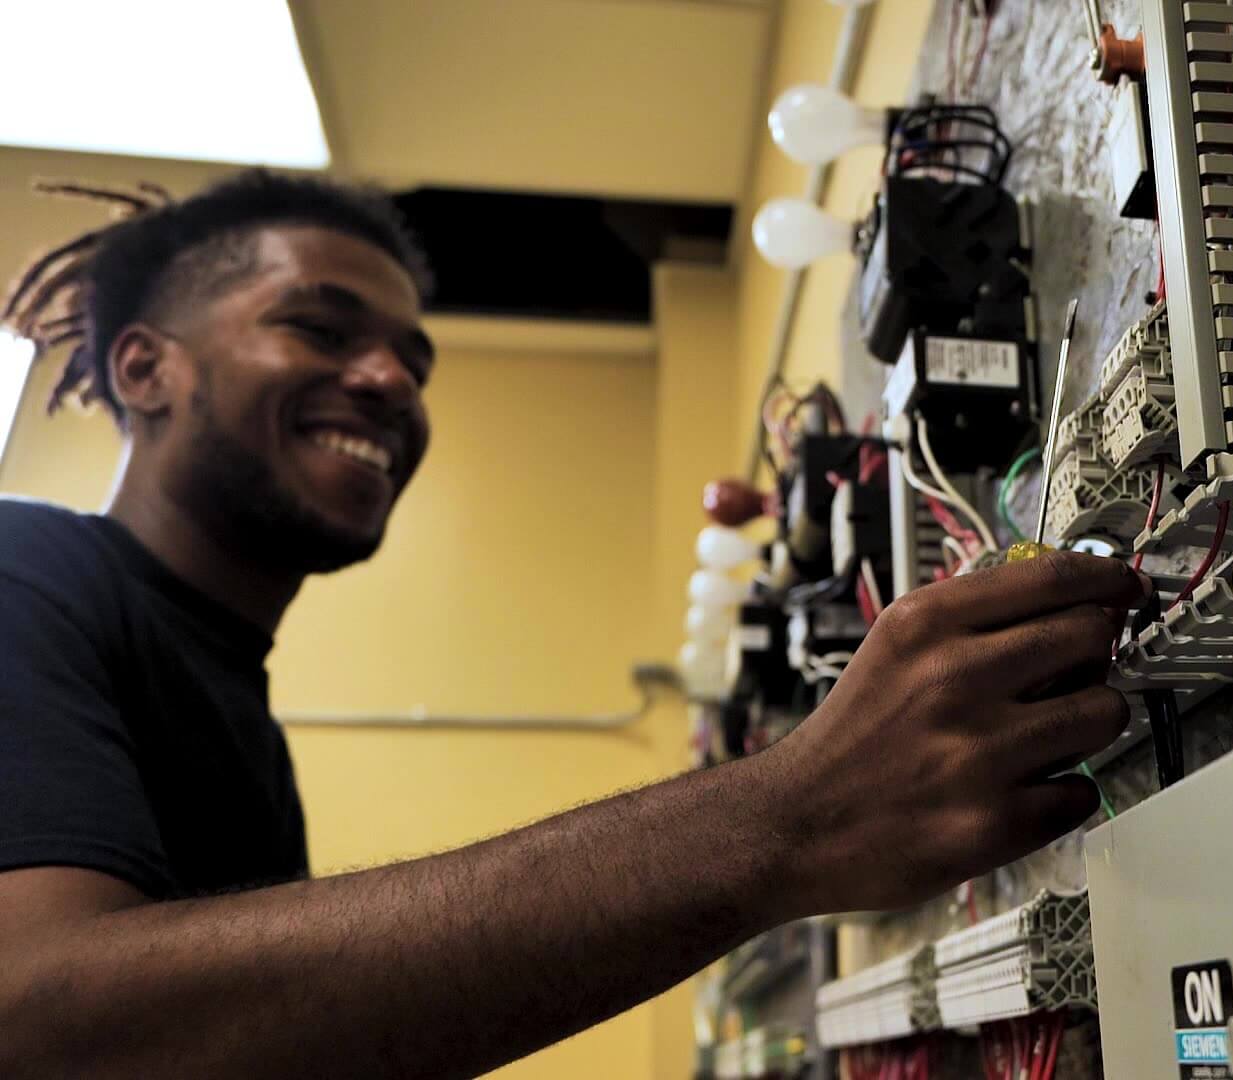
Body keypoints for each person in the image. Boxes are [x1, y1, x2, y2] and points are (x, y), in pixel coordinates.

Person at [0, 171, 1143, 1076]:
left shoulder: (228, 712)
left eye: (413, 357)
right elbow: (47, 1028)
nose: (393, 381)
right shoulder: (23, 564)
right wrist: (786, 819)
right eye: (319, 327)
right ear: (143, 367)